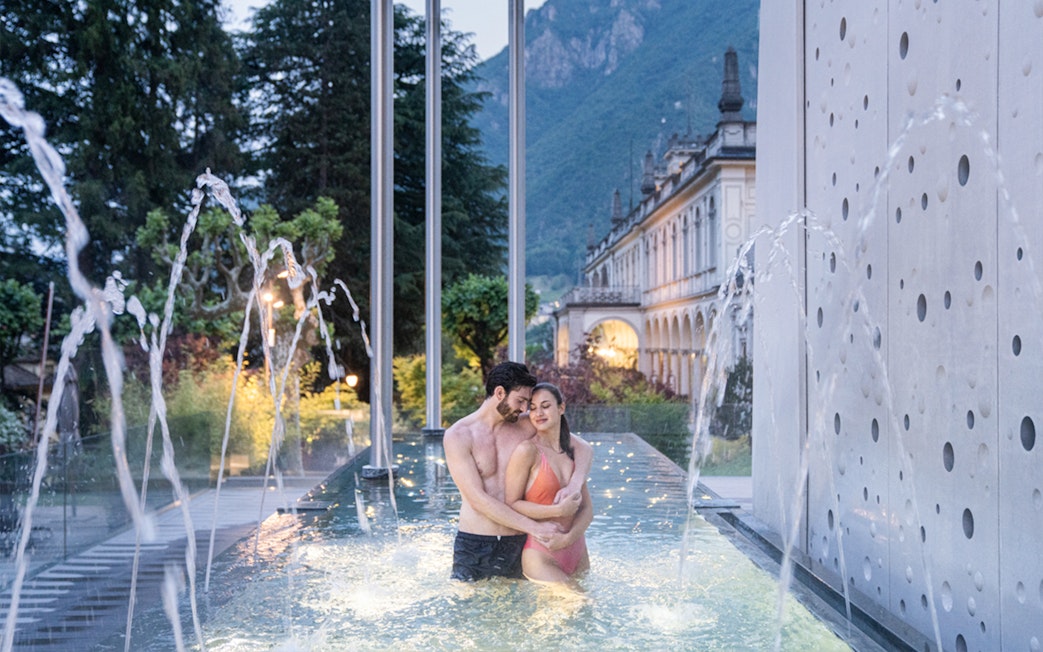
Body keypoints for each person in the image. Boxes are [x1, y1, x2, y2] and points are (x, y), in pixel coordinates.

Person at [444, 362, 592, 581]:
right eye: (521, 401)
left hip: (519, 543)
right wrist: (536, 526)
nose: (524, 409)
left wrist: (574, 483)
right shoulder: (458, 435)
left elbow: (583, 448)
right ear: (500, 393)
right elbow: (477, 499)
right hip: (477, 544)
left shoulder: (524, 425)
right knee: (471, 613)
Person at [505, 382, 592, 583]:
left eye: (545, 406)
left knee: (583, 611)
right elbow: (513, 504)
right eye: (533, 408)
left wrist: (568, 539)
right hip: (541, 553)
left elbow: (587, 510)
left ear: (561, 408)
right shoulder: (528, 451)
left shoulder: (573, 454)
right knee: (580, 602)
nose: (538, 413)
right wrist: (557, 511)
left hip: (577, 549)